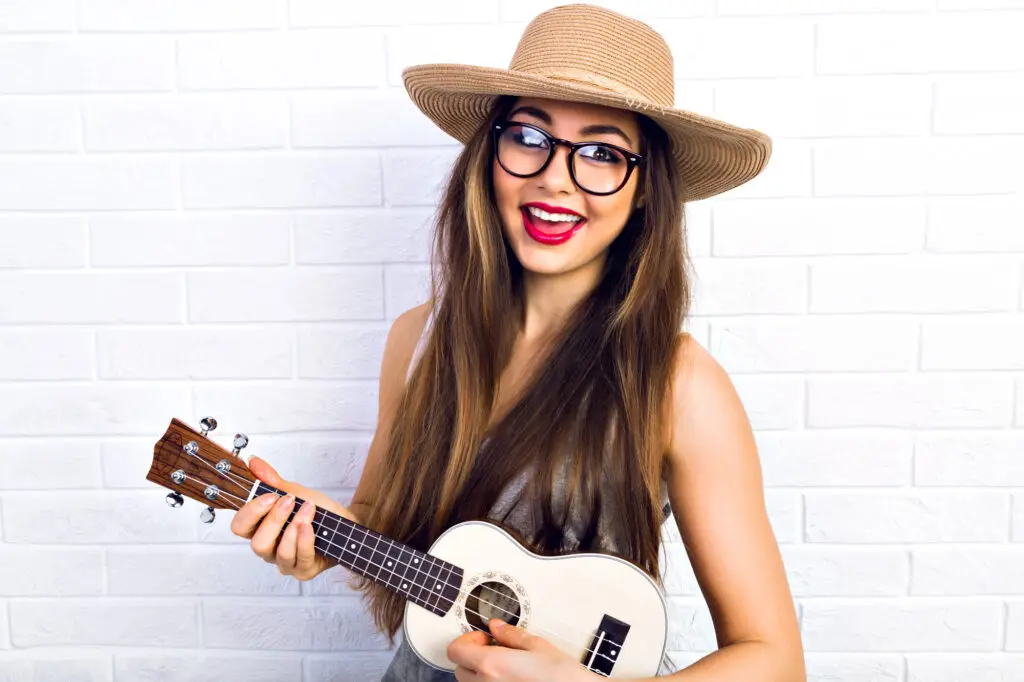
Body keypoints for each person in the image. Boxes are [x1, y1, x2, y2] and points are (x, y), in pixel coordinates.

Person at [230, 4, 805, 681]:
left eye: (600, 152)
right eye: (529, 136)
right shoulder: (417, 341)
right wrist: (328, 537)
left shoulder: (678, 383)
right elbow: (386, 522)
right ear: (490, 153)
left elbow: (775, 660)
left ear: (646, 187)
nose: (555, 178)